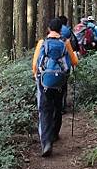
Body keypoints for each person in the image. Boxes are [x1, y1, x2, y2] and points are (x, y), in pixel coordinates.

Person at [32, 17, 78, 157]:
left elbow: (35, 65)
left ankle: (46, 142)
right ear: (60, 30)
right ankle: (54, 134)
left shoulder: (42, 43)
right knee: (58, 107)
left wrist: (37, 76)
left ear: (49, 29)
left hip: (44, 82)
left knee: (45, 110)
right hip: (60, 81)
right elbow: (74, 61)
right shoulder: (66, 42)